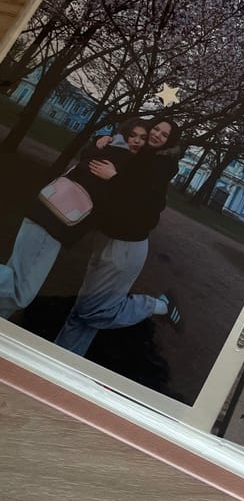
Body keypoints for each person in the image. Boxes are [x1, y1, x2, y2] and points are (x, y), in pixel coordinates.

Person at [55, 117, 183, 356]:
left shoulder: (159, 168)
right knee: (83, 310)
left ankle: (161, 306)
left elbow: (144, 205)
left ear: (169, 142)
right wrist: (101, 139)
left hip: (125, 246)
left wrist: (114, 178)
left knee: (94, 311)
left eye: (164, 135)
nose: (156, 135)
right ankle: (63, 357)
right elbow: (101, 154)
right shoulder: (140, 153)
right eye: (155, 129)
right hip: (106, 237)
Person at [0, 117, 149, 320]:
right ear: (124, 135)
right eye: (133, 135)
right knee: (20, 292)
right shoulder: (121, 159)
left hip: (45, 214)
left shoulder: (109, 148)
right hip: (52, 223)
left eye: (142, 137)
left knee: (14, 279)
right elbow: (113, 201)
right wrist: (116, 178)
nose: (137, 141)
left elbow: (87, 156)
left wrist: (100, 139)